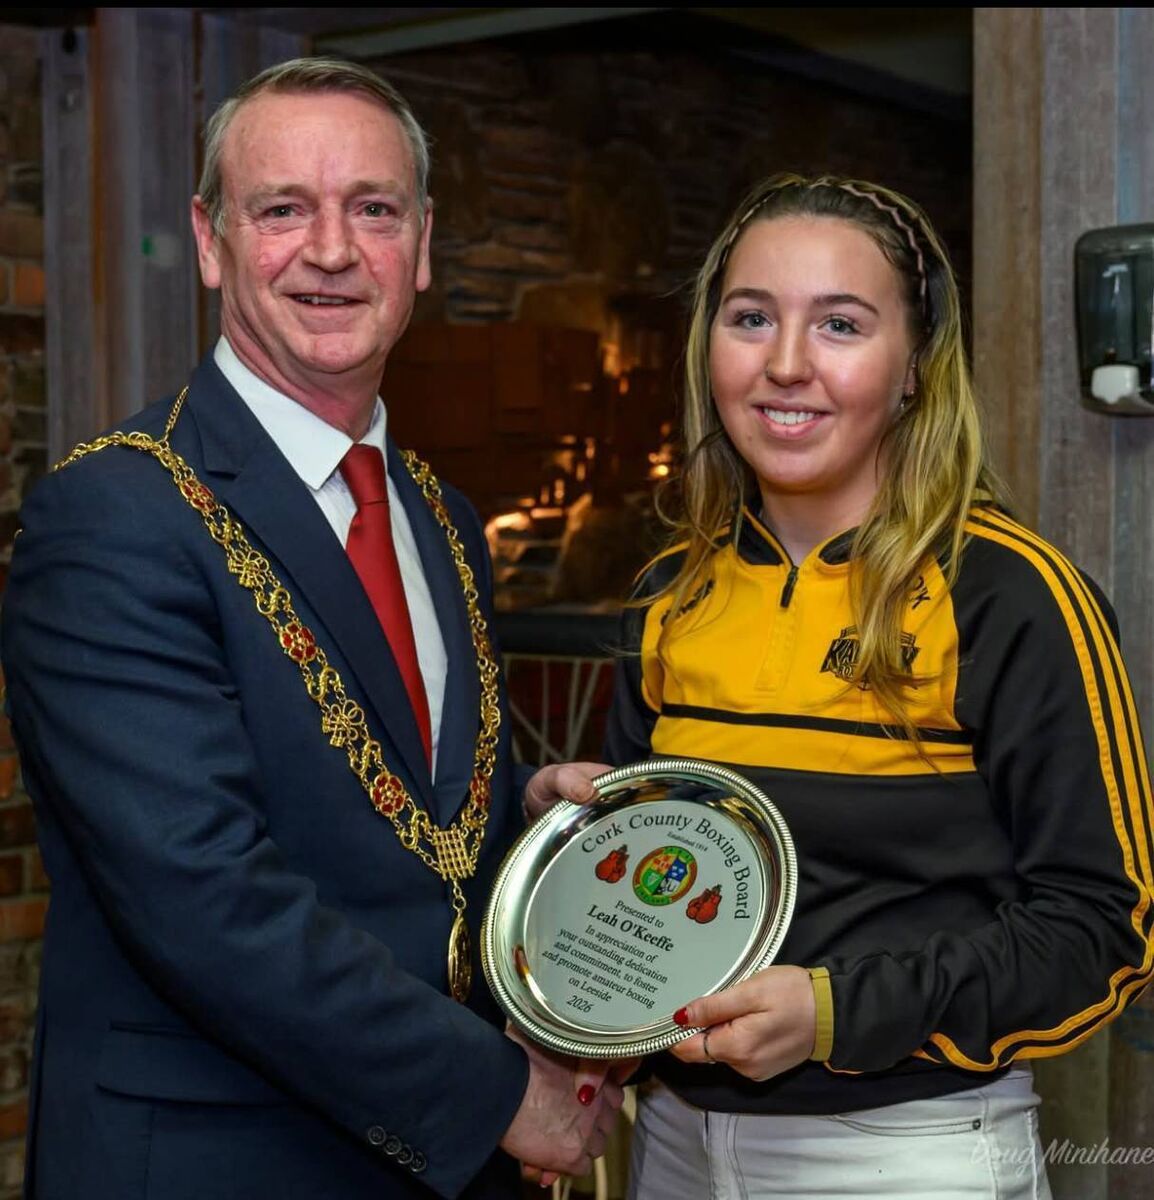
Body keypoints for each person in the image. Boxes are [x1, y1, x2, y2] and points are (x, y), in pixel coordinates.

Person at [0, 58, 624, 1200]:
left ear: (421, 246)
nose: (331, 250)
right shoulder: (116, 514)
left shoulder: (441, 518)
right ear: (209, 241)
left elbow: (369, 802)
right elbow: (202, 896)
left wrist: (513, 807)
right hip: (215, 1163)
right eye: (282, 208)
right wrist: (495, 1096)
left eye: (372, 209)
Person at [529, 173, 1154, 1199]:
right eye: (749, 318)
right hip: (674, 1145)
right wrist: (572, 847)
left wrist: (831, 1014)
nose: (784, 365)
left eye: (839, 325)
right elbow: (656, 898)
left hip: (905, 1153)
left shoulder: (1012, 598)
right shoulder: (669, 597)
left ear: (911, 368)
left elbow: (1103, 929)